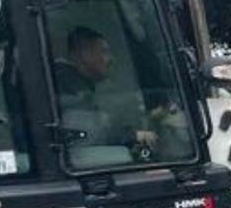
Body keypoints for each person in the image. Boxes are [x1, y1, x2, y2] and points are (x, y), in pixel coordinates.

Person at [53, 27, 158, 158]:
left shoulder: (74, 84)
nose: (111, 59)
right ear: (85, 55)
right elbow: (85, 130)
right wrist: (133, 136)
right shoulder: (68, 86)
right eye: (104, 52)